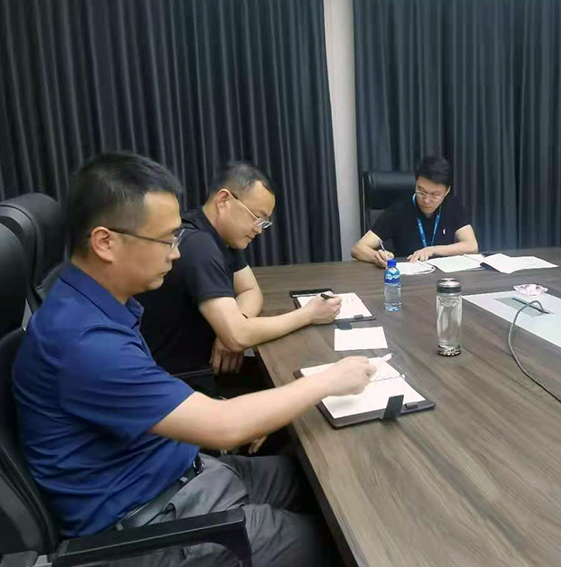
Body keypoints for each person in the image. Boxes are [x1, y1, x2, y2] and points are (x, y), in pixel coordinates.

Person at [13, 152, 374, 566]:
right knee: (345, 542)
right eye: (167, 240)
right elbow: (224, 427)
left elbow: (153, 403)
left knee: (334, 481)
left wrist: (231, 415)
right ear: (105, 242)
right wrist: (329, 379)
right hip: (155, 524)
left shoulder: (93, 303)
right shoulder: (83, 342)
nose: (176, 254)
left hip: (182, 471)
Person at [137, 162, 341, 396]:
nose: (259, 229)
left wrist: (234, 324)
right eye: (257, 217)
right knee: (304, 389)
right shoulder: (199, 246)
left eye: (264, 222)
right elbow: (238, 336)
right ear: (224, 200)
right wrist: (309, 314)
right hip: (179, 384)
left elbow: (250, 291)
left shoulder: (219, 235)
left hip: (203, 368)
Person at [351, 156, 479, 267]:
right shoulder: (399, 210)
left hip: (444, 276)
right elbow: (358, 249)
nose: (426, 200)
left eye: (435, 195)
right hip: (409, 277)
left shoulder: (452, 206)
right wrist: (376, 257)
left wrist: (432, 250)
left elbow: (472, 246)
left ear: (447, 191)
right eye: (421, 191)